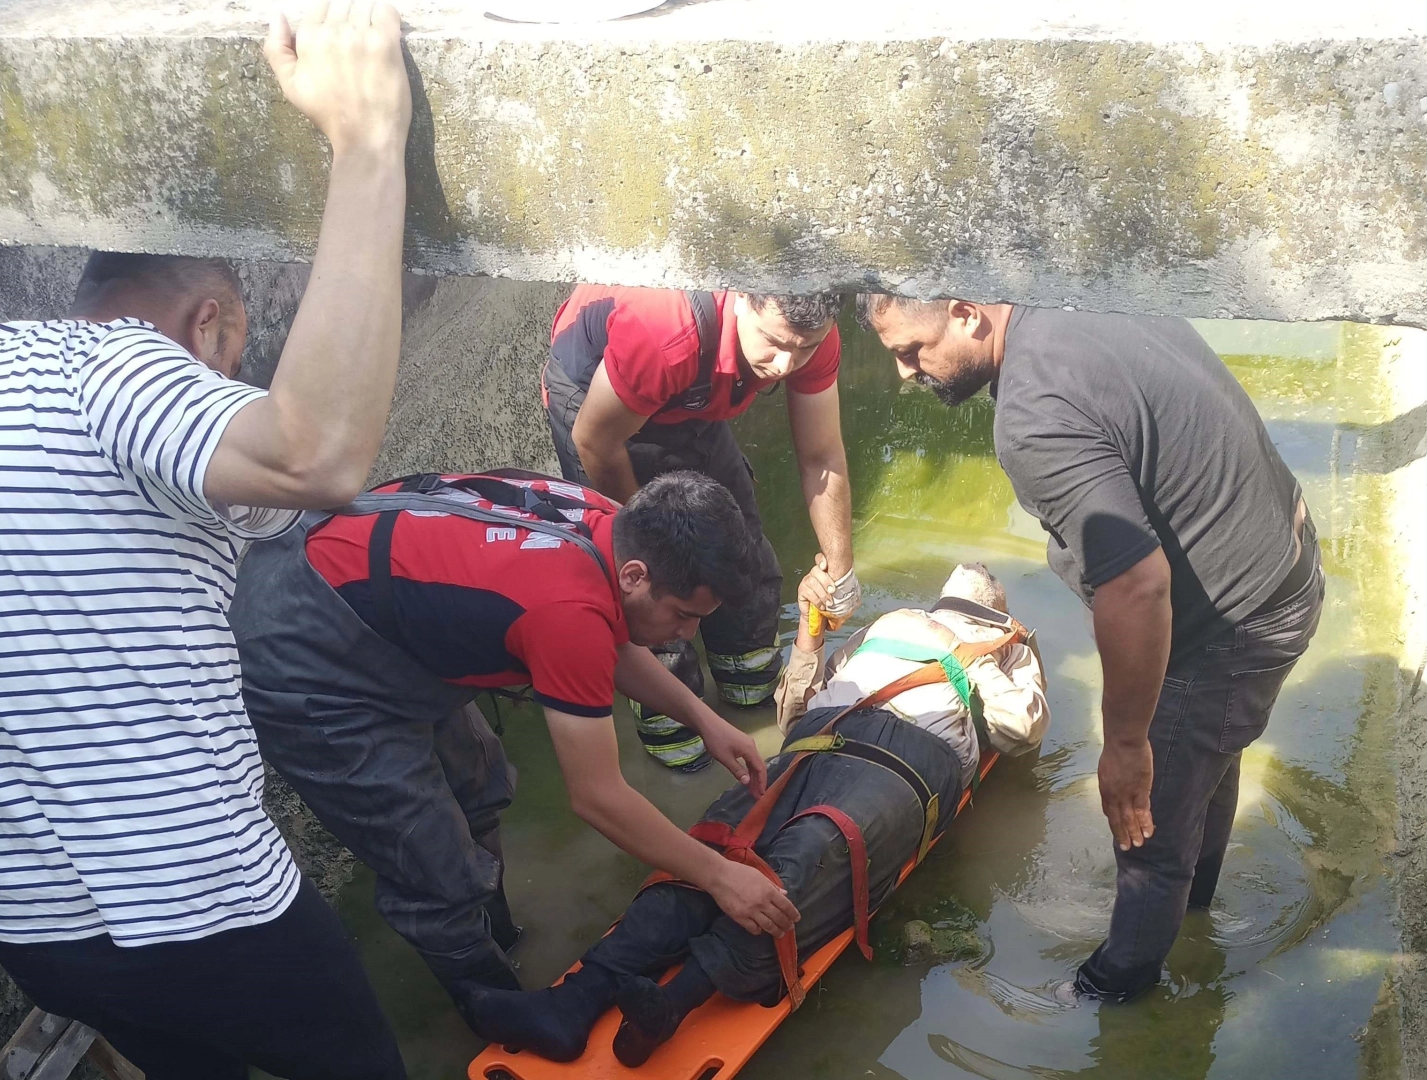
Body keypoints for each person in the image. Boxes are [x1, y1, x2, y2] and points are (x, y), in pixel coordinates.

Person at [0, 6, 414, 1079]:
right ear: (212, 322)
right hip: (206, 904)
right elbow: (313, 455)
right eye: (226, 361)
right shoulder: (112, 367)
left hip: (31, 928)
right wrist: (368, 144)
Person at [856, 296, 1325, 1003]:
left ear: (965, 312)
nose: (904, 371)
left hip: (1233, 623)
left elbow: (1136, 584)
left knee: (1146, 833)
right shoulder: (1075, 291)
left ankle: (1110, 1000)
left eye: (911, 350)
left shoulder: (1032, 413)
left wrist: (1127, 745)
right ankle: (1194, 915)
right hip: (1283, 567)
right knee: (1202, 756)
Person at [229, 469, 799, 1040]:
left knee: (482, 782)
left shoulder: (615, 525)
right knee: (432, 865)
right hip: (301, 652)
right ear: (635, 575)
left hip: (371, 596)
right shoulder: (566, 608)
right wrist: (720, 877)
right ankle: (500, 1010)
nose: (688, 633)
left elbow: (609, 631)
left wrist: (704, 719)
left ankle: (499, 934)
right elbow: (598, 798)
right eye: (683, 614)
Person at [476, 563, 1048, 1066]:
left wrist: (979, 653)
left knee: (815, 846)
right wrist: (810, 638)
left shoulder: (1006, 649)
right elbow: (793, 711)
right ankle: (575, 1000)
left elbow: (1020, 731)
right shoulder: (890, 625)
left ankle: (673, 1005)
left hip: (912, 758)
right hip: (821, 733)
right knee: (716, 843)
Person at [543, 286, 860, 769]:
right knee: (656, 581)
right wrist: (656, 538)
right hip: (597, 404)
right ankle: (671, 718)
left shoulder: (807, 331)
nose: (785, 365)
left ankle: (745, 677)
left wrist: (841, 568)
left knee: (737, 549)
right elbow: (595, 441)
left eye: (804, 349)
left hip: (693, 391)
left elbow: (821, 455)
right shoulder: (665, 333)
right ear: (742, 299)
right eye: (774, 343)